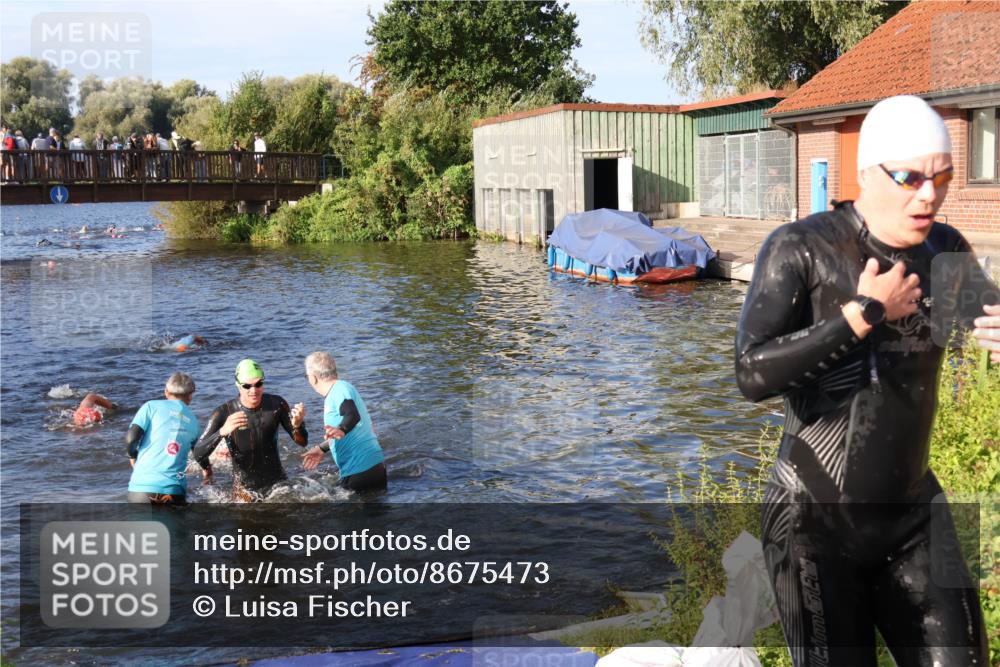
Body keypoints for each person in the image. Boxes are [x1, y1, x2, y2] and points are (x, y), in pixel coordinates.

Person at [735, 95, 998, 666]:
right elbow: (751, 372)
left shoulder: (945, 248)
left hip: (911, 513)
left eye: (943, 177)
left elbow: (990, 318)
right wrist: (862, 314)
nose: (928, 194)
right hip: (813, 520)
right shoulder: (800, 248)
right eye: (908, 178)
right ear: (865, 174)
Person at [193, 359, 308, 501]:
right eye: (247, 386)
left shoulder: (276, 404)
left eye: (258, 384)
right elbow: (198, 453)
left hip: (279, 487)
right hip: (244, 492)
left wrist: (297, 425)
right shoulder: (224, 412)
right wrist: (222, 431)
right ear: (238, 386)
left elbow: (303, 442)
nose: (253, 390)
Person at [301, 352, 386, 492]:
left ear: (313, 378)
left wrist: (341, 428)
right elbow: (353, 427)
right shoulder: (341, 389)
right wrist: (322, 448)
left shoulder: (339, 389)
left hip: (360, 471)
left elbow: (352, 415)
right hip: (370, 467)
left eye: (306, 376)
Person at [125, 372, 200, 505]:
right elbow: (200, 454)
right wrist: (207, 471)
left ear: (166, 392)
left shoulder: (150, 407)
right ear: (190, 397)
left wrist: (132, 456)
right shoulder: (194, 422)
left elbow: (131, 438)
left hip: (141, 489)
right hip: (174, 491)